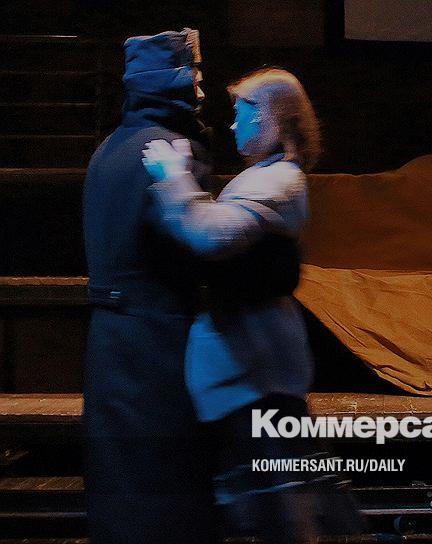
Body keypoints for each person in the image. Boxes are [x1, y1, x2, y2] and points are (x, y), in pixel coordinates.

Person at [141, 68, 360, 543]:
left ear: (272, 119)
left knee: (284, 507)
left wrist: (173, 178)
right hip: (247, 368)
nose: (233, 124)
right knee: (273, 502)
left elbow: (212, 235)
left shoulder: (280, 180)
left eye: (242, 113)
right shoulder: (263, 175)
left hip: (256, 373)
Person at [82, 29, 217, 543]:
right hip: (160, 338)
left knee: (121, 485)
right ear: (172, 83)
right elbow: (195, 244)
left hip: (109, 340)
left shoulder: (108, 148)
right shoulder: (174, 149)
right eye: (194, 76)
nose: (202, 89)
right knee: (167, 487)